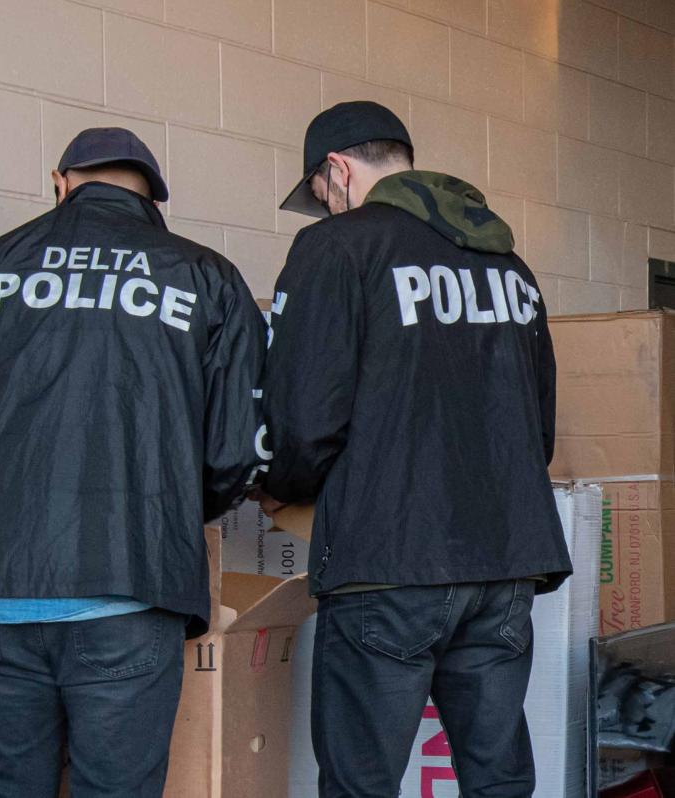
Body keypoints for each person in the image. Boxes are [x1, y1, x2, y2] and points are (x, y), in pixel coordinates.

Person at [0, 126, 266, 798]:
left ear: (59, 184)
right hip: (129, 586)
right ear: (154, 199)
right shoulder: (204, 275)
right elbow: (235, 449)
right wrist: (172, 510)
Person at [260, 101, 573, 797]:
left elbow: (305, 419)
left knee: (362, 782)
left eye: (318, 197)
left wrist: (282, 480)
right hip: (504, 563)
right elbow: (538, 429)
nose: (323, 212)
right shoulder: (509, 266)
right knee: (496, 777)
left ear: (336, 170)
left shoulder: (339, 248)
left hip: (388, 560)